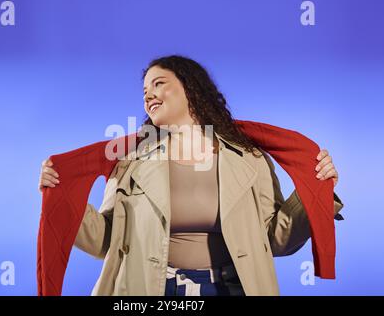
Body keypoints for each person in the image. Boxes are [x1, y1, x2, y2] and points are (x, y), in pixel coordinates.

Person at [38, 55, 343, 296]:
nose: (149, 95)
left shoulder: (250, 159)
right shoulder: (131, 161)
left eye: (158, 84)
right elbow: (106, 241)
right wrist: (61, 199)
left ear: (191, 88)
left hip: (234, 289)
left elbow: (276, 241)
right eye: (145, 91)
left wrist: (315, 193)